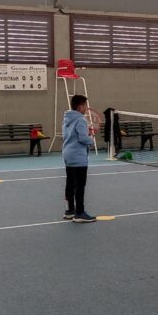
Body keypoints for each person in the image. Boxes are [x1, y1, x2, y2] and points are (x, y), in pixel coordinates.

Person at [62, 95, 96, 223]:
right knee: (80, 186)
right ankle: (80, 213)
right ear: (80, 106)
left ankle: (70, 211)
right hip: (78, 156)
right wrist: (91, 139)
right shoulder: (81, 120)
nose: (86, 108)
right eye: (85, 106)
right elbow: (83, 138)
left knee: (70, 184)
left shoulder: (66, 119)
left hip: (67, 154)